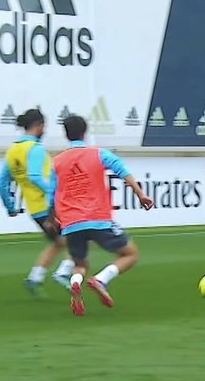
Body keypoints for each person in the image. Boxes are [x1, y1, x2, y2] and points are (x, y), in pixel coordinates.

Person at [52, 114, 154, 316]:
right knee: (130, 254)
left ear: (66, 135)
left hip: (72, 223)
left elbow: (50, 192)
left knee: (80, 263)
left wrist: (56, 217)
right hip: (98, 219)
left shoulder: (56, 162)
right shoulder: (99, 154)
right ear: (85, 132)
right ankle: (101, 280)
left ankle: (76, 282)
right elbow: (123, 172)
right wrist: (141, 195)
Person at [0, 108, 75, 297]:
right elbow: (35, 176)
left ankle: (35, 277)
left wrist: (10, 206)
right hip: (50, 207)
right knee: (81, 238)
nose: (45, 130)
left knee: (59, 243)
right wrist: (53, 193)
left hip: (34, 209)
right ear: (38, 125)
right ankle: (63, 273)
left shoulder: (14, 149)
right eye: (44, 126)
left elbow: (2, 181)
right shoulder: (36, 149)